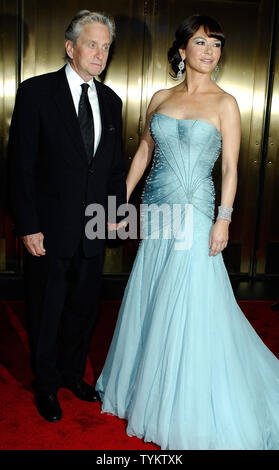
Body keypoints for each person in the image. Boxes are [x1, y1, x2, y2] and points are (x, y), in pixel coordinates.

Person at [96, 15, 279, 450]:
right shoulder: (159, 97)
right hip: (156, 212)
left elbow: (232, 167)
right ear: (182, 51)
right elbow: (143, 152)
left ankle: (183, 399)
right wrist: (119, 201)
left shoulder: (226, 103)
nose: (209, 51)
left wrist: (224, 217)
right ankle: (150, 387)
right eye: (201, 42)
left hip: (196, 215)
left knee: (187, 299)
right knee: (154, 294)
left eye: (216, 44)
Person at [8, 10, 126, 422]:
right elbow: (20, 165)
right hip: (49, 227)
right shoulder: (36, 93)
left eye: (106, 46)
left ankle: (74, 375)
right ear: (70, 47)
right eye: (92, 44)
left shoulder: (112, 101)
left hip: (94, 225)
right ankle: (45, 384)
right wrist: (28, 225)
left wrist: (115, 214)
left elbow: (113, 167)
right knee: (46, 307)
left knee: (83, 307)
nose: (100, 53)